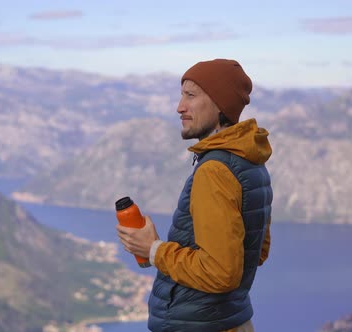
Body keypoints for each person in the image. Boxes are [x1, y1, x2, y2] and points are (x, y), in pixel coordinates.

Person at [116, 59, 272, 332]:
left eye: (191, 95)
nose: (179, 107)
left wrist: (152, 249)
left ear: (219, 104)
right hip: (231, 320)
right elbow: (256, 252)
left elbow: (221, 272)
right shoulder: (250, 162)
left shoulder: (214, 171)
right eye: (181, 95)